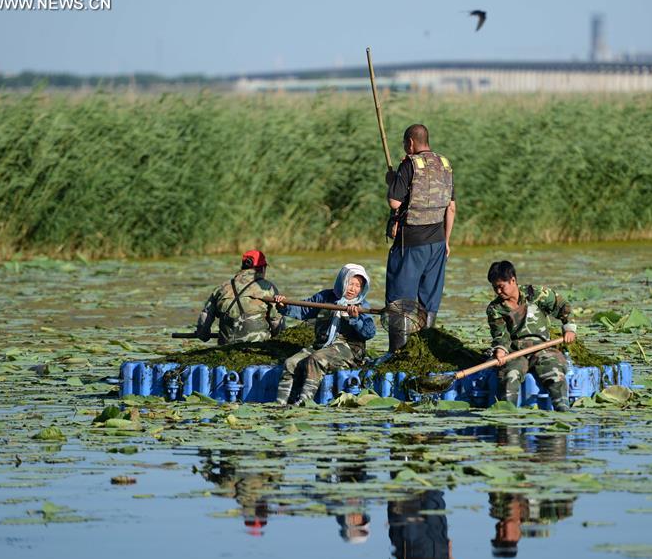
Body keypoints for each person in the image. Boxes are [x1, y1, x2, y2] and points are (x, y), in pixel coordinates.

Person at [385, 124, 456, 352]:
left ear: (411, 143)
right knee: (429, 301)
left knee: (401, 300)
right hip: (437, 243)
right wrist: (447, 241)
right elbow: (451, 208)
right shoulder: (445, 164)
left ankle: (399, 353)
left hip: (411, 243)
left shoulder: (409, 164)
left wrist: (393, 182)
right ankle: (426, 351)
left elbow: (394, 203)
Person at [273, 264, 375, 406]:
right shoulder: (325, 297)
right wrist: (284, 305)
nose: (353, 289)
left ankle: (304, 402)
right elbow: (304, 309)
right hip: (322, 345)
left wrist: (355, 319)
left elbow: (369, 333)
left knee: (316, 359)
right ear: (342, 281)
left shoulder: (362, 305)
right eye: (350, 283)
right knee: (290, 363)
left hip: (348, 348)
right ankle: (280, 403)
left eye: (358, 285)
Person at [485, 260, 577, 412]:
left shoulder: (536, 293)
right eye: (495, 288)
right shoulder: (495, 309)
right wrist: (500, 349)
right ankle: (507, 418)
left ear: (512, 280)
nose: (498, 292)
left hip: (542, 348)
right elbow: (500, 335)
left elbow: (562, 306)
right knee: (510, 376)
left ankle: (563, 413)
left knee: (555, 372)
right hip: (515, 352)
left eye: (501, 287)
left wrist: (569, 329)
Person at [194, 250, 283, 345]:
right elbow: (275, 321)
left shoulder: (222, 287)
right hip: (258, 347)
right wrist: (279, 337)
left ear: (242, 267)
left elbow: (206, 315)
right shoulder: (268, 288)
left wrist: (203, 335)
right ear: (262, 269)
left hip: (225, 346)